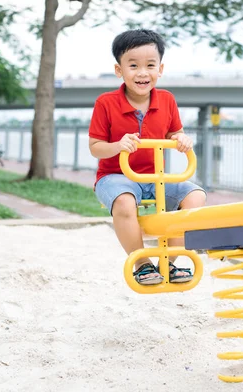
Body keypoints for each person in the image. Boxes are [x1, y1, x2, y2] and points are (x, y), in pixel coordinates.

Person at [88, 29, 206, 285]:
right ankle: (141, 263)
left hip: (156, 177)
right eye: (133, 65)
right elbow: (96, 146)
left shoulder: (166, 100)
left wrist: (182, 139)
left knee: (196, 195)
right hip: (116, 176)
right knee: (124, 202)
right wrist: (118, 145)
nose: (142, 73)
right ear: (119, 70)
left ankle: (170, 261)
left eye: (150, 65)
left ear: (160, 69)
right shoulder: (105, 103)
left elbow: (176, 132)